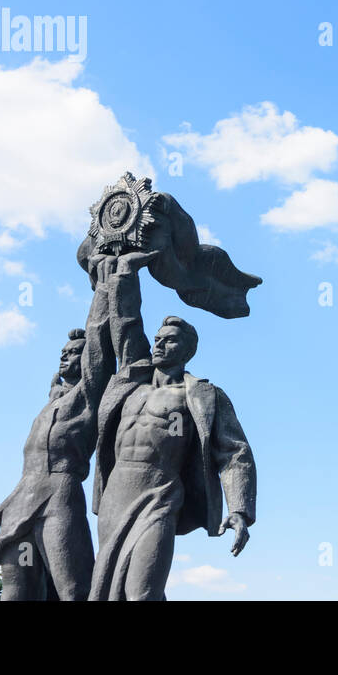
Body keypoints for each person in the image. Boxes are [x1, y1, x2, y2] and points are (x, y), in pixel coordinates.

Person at [89, 252, 256, 601]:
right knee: (108, 591)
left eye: (170, 340)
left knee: (142, 592)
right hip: (116, 494)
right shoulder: (133, 380)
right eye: (159, 338)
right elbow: (127, 323)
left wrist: (239, 510)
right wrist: (125, 273)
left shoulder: (203, 394)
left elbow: (235, 452)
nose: (159, 343)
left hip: (160, 494)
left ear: (188, 350)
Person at [0, 258, 120, 600]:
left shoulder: (88, 397)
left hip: (59, 498)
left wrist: (105, 286)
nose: (65, 357)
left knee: (73, 588)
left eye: (74, 353)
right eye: (62, 353)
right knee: (16, 591)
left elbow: (99, 342)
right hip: (21, 501)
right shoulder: (52, 399)